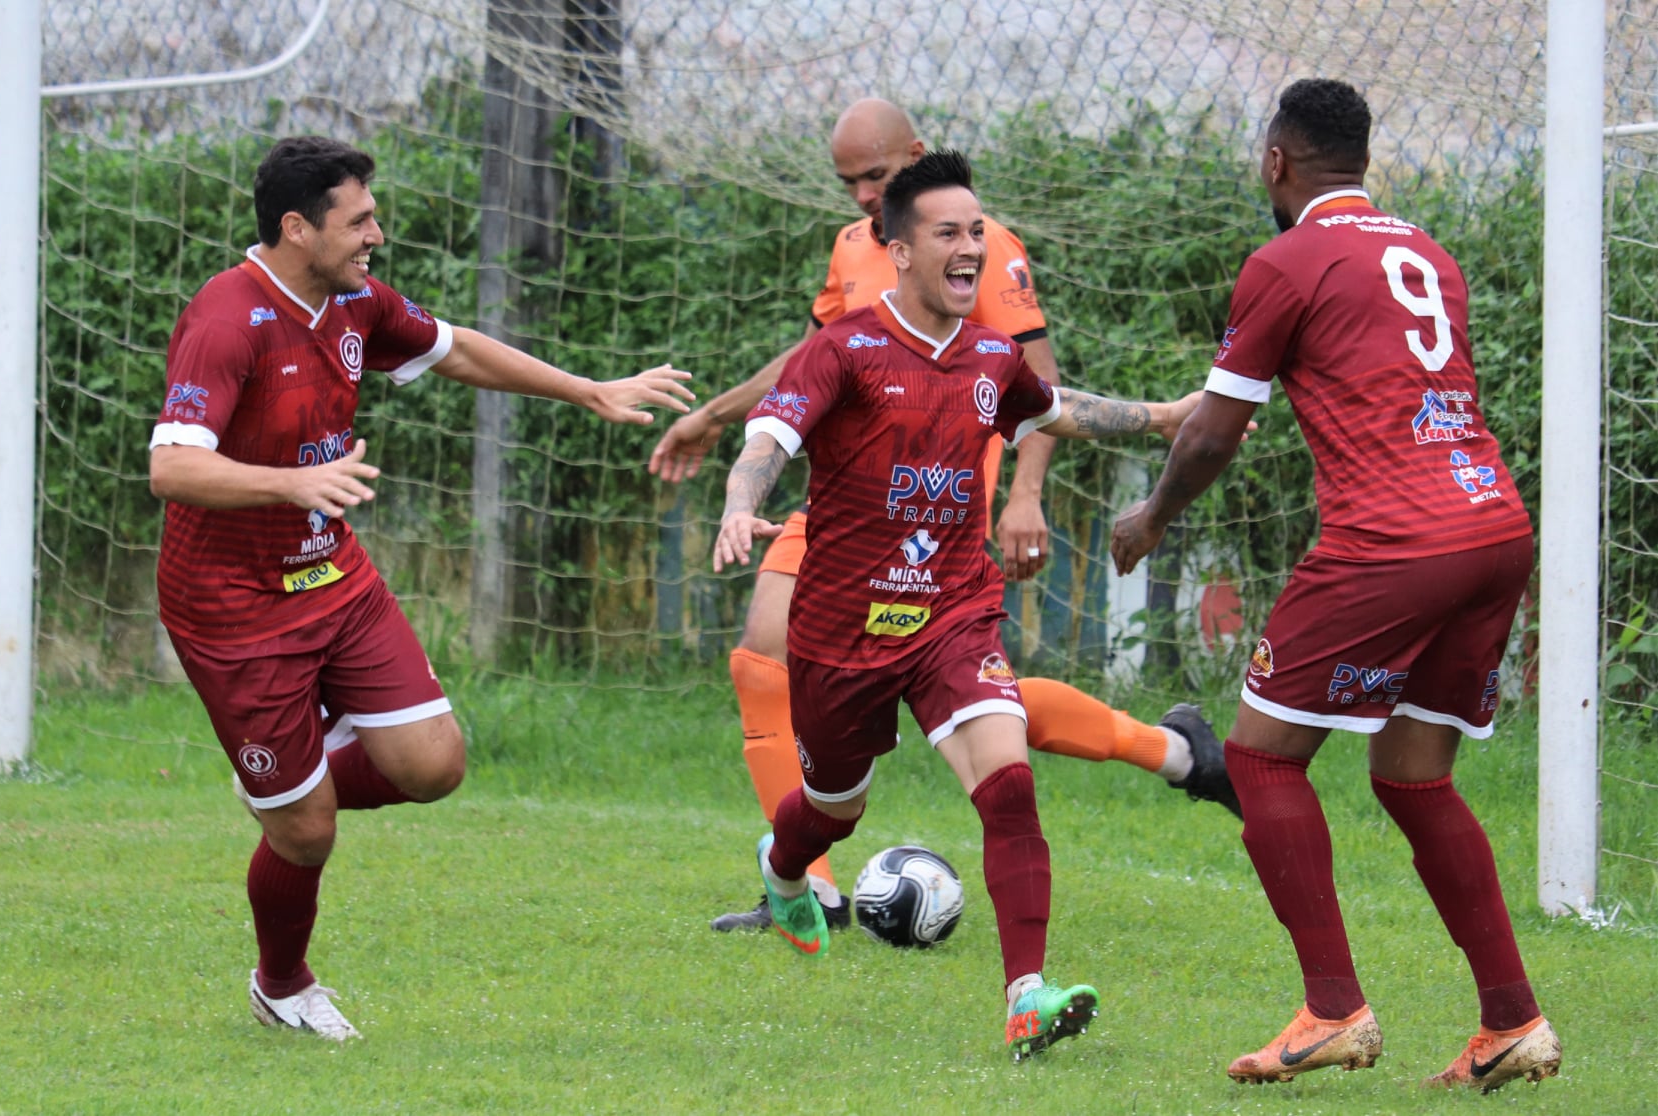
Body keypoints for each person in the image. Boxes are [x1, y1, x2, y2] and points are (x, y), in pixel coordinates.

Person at [148, 136, 693, 1041]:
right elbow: (172, 468)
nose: (377, 234)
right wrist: (290, 484)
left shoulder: (354, 299)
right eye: (358, 220)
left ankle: (289, 784)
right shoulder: (225, 317)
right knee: (308, 835)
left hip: (331, 575)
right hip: (231, 606)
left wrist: (587, 389)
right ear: (296, 227)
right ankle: (282, 983)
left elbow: (455, 349)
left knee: (433, 764)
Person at [651, 98, 1237, 933]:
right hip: (846, 502)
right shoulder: (856, 245)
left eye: (874, 177)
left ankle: (1171, 750)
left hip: (934, 510)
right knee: (761, 656)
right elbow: (814, 359)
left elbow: (1037, 385)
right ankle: (804, 880)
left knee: (974, 703)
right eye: (848, 182)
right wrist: (714, 419)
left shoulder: (980, 251)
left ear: (915, 161)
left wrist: (1027, 494)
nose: (859, 194)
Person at [1109, 78, 1561, 1093]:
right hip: (1492, 523)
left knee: (1259, 758)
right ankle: (1509, 1021)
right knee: (1409, 775)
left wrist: (1149, 519)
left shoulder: (1283, 260)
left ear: (1276, 161)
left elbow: (1215, 430)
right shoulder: (1426, 255)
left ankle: (1330, 1009)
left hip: (1391, 538)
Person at [714, 149, 1203, 1059]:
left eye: (977, 229)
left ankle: (1027, 994)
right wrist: (742, 504)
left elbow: (1054, 410)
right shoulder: (845, 348)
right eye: (948, 232)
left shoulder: (987, 353)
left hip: (951, 612)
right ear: (897, 250)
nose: (970, 246)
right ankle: (783, 869)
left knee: (1009, 788)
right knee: (831, 811)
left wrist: (1163, 416)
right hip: (842, 629)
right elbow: (769, 438)